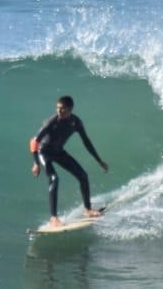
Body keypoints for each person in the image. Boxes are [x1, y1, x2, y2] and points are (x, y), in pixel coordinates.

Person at [30, 95, 109, 227]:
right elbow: (34, 142)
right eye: (57, 108)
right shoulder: (51, 122)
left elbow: (86, 142)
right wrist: (36, 163)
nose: (59, 111)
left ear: (70, 109)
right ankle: (54, 218)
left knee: (83, 176)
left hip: (58, 151)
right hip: (43, 152)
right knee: (54, 179)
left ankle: (88, 210)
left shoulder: (76, 122)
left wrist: (99, 160)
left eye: (62, 109)